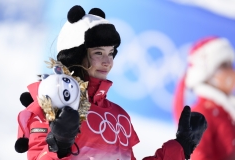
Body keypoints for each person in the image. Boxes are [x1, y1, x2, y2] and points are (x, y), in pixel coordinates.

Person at [15, 5, 207, 160]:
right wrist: (59, 144)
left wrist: (181, 147)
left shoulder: (119, 116)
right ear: (76, 55)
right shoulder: (52, 102)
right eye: (98, 53)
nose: (107, 61)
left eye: (110, 53)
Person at [173, 36, 235, 160]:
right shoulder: (199, 115)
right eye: (223, 66)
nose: (231, 71)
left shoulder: (227, 109)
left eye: (230, 64)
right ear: (206, 75)